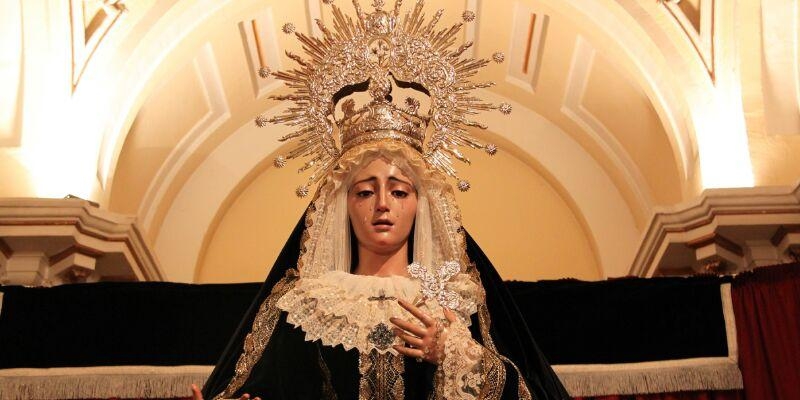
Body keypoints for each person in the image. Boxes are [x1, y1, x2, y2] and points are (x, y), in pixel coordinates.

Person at [195, 1, 570, 399]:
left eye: (398, 190)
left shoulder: (455, 301)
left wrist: (452, 353)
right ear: (343, 204)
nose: (382, 205)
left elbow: (529, 390)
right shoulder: (309, 306)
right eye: (364, 191)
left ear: (420, 202)